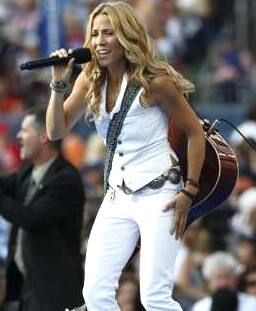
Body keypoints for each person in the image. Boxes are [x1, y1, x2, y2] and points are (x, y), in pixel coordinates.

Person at [46, 2, 205, 310]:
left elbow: (195, 133)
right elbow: (55, 131)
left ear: (126, 36)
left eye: (109, 33)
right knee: (94, 294)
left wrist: (190, 190)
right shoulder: (90, 80)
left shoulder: (155, 81)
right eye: (94, 34)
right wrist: (58, 83)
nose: (100, 41)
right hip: (118, 197)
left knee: (155, 298)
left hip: (160, 196)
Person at [0, 106, 85, 311]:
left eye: (25, 130)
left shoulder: (66, 178)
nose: (18, 136)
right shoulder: (28, 171)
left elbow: (33, 219)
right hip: (26, 291)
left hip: (55, 294)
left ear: (44, 136)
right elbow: (4, 184)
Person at [192, 252, 256, 311]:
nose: (223, 283)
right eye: (218, 278)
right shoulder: (200, 307)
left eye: (228, 277)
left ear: (236, 280)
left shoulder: (252, 304)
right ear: (209, 282)